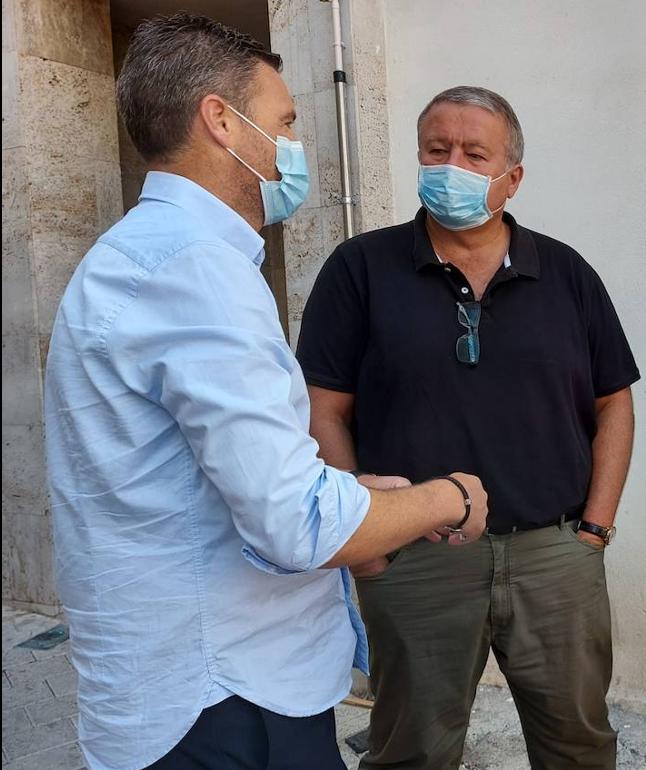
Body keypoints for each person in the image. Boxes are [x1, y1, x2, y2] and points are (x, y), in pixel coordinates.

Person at [42, 15, 488, 770]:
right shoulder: (197, 270)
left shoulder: (137, 255)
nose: (292, 146)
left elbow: (221, 476)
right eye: (283, 122)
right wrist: (448, 498)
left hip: (183, 682)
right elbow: (295, 523)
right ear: (221, 121)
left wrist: (349, 491)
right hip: (228, 697)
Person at [297, 85, 639, 770]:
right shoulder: (360, 269)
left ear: (511, 177)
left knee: (579, 746)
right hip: (414, 560)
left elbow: (614, 405)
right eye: (436, 149)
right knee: (411, 752)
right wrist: (367, 551)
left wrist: (594, 532)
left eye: (474, 153)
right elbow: (322, 410)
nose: (451, 164)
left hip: (554, 556)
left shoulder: (566, 273)